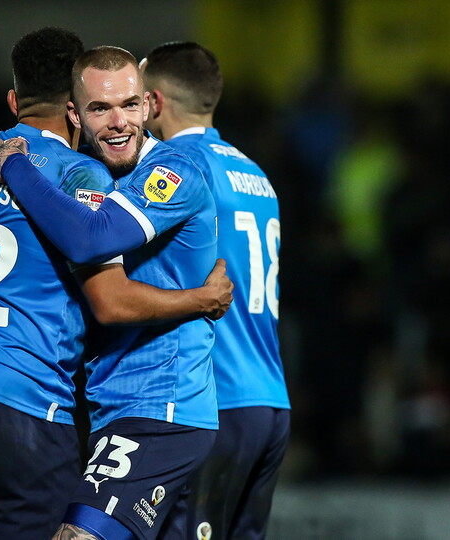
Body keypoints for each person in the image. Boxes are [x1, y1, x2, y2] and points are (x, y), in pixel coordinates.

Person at [0, 30, 231, 540]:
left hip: (158, 404)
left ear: (150, 106)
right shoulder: (84, 175)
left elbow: (93, 247)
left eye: (129, 105)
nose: (118, 121)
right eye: (101, 109)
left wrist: (15, 167)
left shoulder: (169, 169)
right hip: (100, 405)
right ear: (75, 115)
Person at [140, 41, 290, 540]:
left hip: (214, 401)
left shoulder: (179, 166)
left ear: (155, 102)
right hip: (269, 400)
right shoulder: (255, 174)